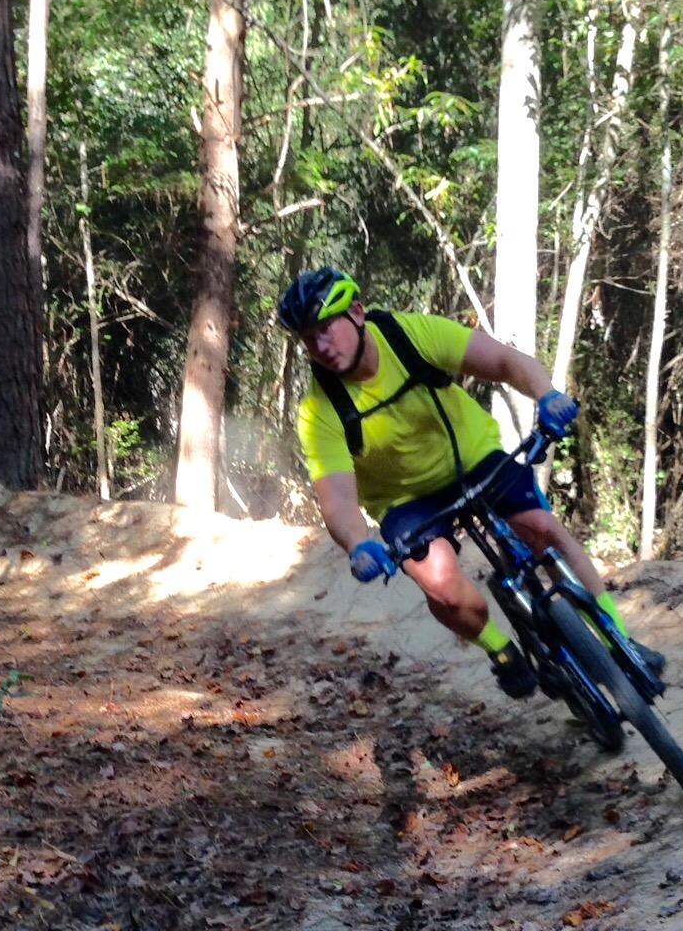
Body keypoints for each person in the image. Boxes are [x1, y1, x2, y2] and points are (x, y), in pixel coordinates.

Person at [277, 266, 661, 699]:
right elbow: (339, 500)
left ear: (359, 313)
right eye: (309, 339)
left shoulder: (410, 335)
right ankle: (499, 649)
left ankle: (618, 637)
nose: (321, 346)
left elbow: (505, 361)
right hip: (405, 499)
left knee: (544, 530)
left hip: (473, 457)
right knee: (439, 583)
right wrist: (358, 544)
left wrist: (547, 395)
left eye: (327, 328)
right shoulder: (319, 410)